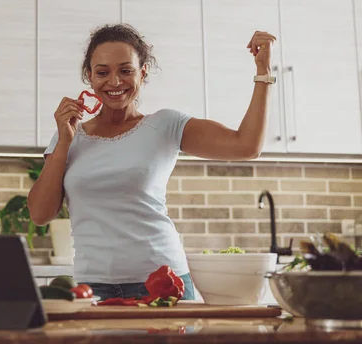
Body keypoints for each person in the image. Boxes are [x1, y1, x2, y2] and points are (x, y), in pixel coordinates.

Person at [27, 24, 276, 301]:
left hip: (163, 282)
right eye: (102, 72)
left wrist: (263, 72)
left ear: (142, 73)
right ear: (89, 76)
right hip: (92, 288)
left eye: (125, 70)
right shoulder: (68, 135)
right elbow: (40, 214)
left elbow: (247, 146)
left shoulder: (165, 125)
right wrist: (64, 142)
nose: (114, 82)